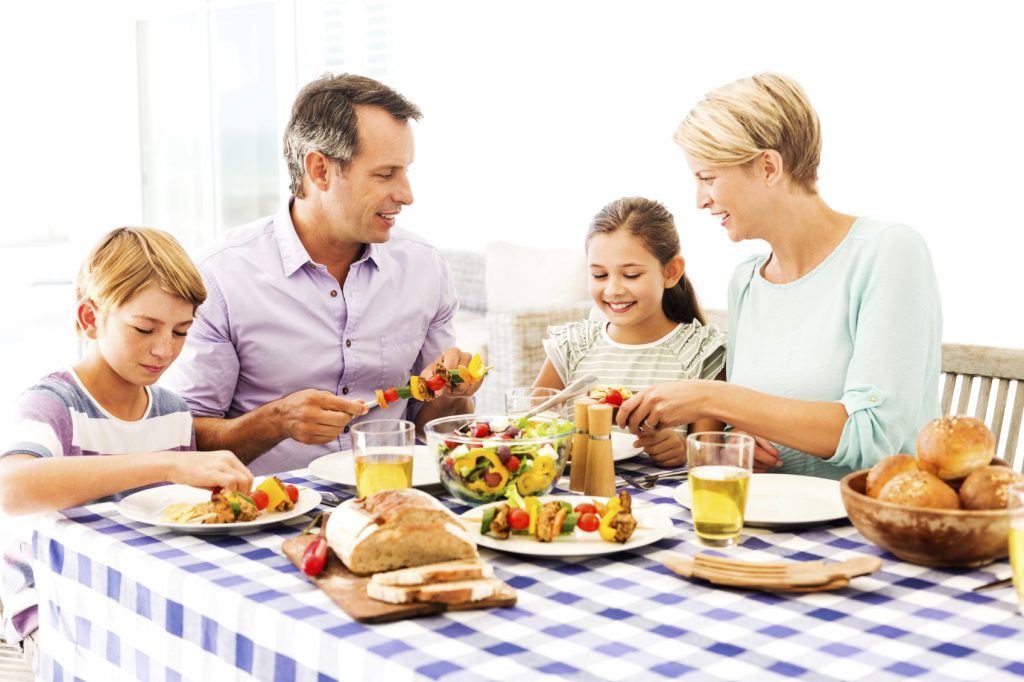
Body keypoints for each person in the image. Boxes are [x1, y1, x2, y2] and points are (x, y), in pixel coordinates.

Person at [617, 73, 943, 480]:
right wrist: (741, 441)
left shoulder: (889, 251)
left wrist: (710, 397)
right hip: (771, 516)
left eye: (707, 178)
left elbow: (872, 435)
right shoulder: (748, 281)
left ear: (768, 166)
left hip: (863, 523)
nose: (700, 200)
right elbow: (759, 416)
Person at [162, 73, 482, 475]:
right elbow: (186, 440)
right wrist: (275, 421)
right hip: (270, 509)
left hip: (393, 494)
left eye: (406, 171)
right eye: (386, 174)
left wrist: (453, 392)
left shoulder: (425, 268)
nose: (407, 194)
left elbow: (432, 421)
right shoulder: (221, 277)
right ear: (319, 170)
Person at [0, 227, 252, 665]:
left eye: (180, 332)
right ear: (89, 318)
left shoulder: (173, 411)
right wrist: (165, 466)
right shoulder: (55, 403)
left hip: (140, 600)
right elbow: (12, 487)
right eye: (144, 328)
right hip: (59, 610)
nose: (163, 349)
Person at [532, 197, 727, 467]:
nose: (613, 290)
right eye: (600, 275)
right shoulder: (572, 346)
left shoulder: (701, 352)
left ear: (671, 272)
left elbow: (711, 458)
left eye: (631, 275)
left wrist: (683, 450)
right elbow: (529, 430)